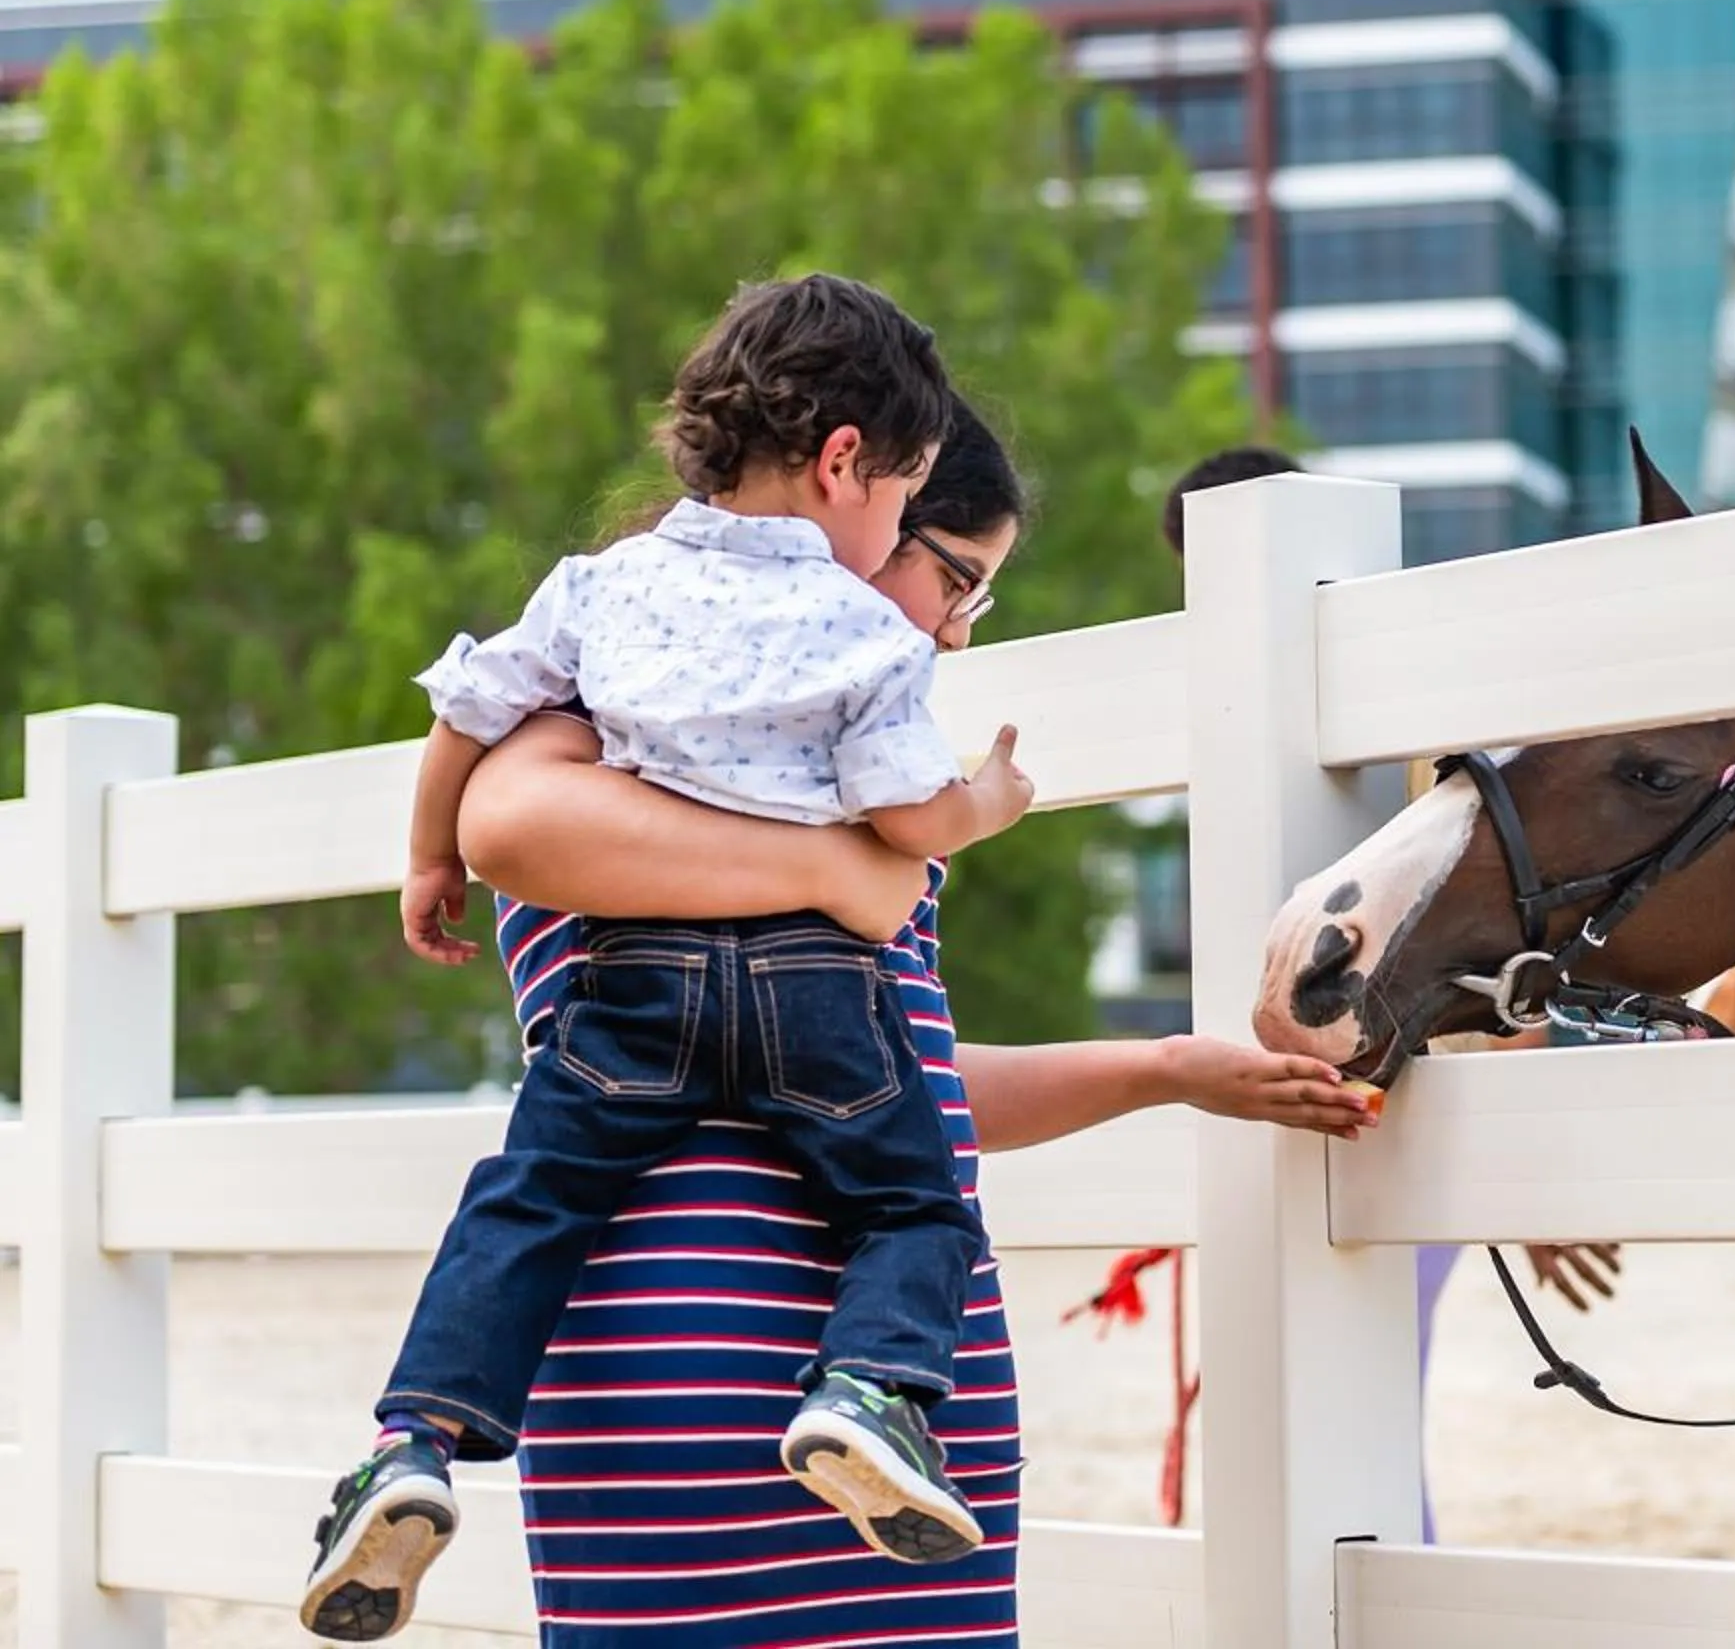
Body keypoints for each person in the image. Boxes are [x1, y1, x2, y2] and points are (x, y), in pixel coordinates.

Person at [337, 398, 1367, 1647]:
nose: (950, 626)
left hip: (891, 1397)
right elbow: (500, 830)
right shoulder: (579, 736)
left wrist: (1161, 1068)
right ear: (843, 513)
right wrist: (845, 869)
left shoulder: (837, 776)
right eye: (957, 577)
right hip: (707, 1339)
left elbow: (911, 1070)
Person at [305, 275, 1033, 1639]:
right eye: (961, 578)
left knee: (518, 1201)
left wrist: (421, 860)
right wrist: (953, 822)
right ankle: (874, 1386)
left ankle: (412, 1444)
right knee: (914, 1209)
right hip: (734, 1328)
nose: (951, 626)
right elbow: (899, 825)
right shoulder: (860, 647)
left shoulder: (603, 599)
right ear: (847, 470)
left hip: (636, 1009)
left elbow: (462, 725)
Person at [1161, 446, 1619, 1545]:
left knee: (1348, 1398)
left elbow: (1509, 932)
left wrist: (1512, 1156)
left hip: (1400, 1099)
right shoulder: (1238, 689)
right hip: (1281, 1090)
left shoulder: (1428, 690)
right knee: (1299, 1398)